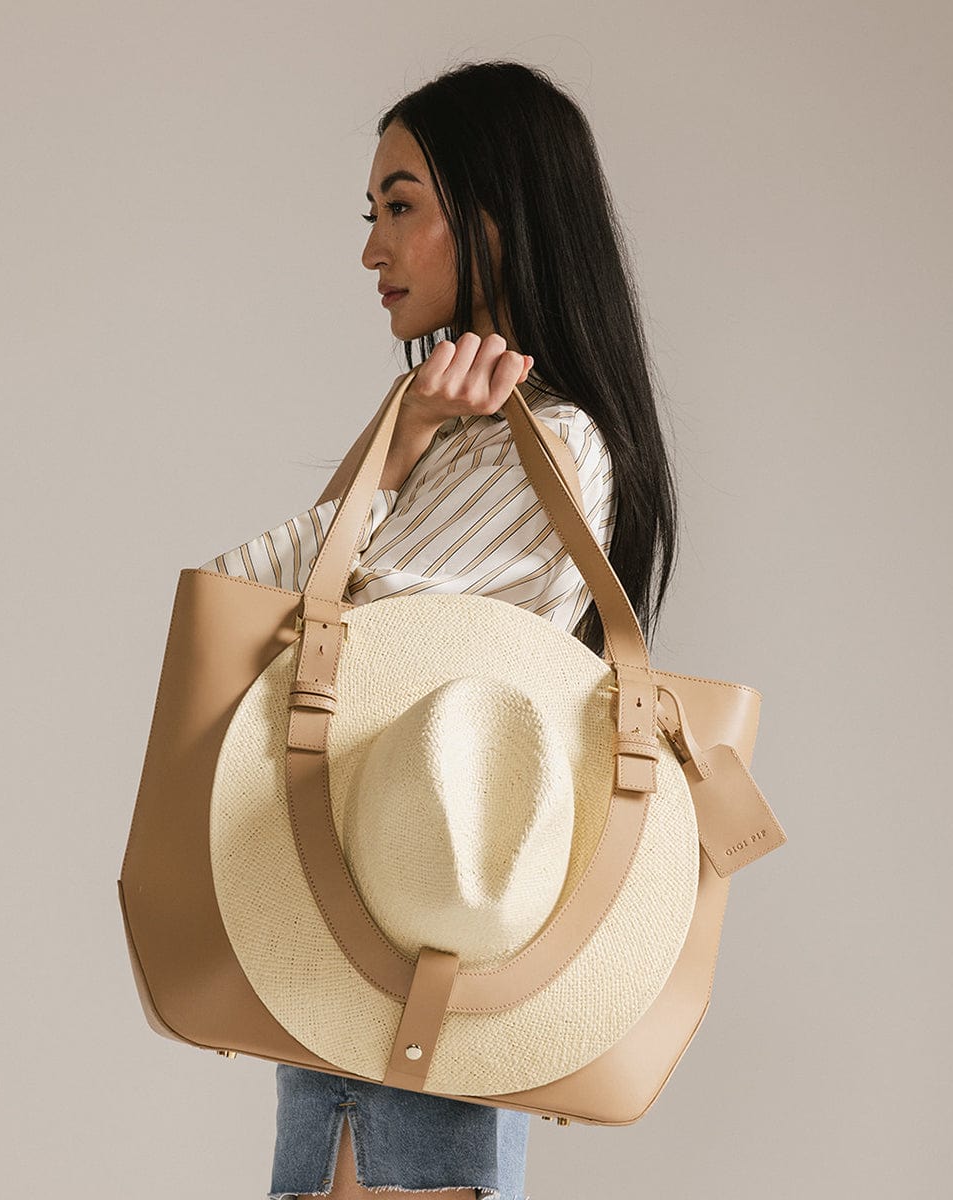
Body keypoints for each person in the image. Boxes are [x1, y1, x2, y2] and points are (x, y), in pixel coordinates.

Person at [201, 58, 679, 1200]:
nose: (372, 249)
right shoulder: (473, 443)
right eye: (372, 214)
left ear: (497, 218)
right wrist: (401, 437)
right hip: (381, 952)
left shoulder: (546, 447)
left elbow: (268, 624)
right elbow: (272, 612)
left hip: (406, 964)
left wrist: (399, 446)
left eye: (402, 208)